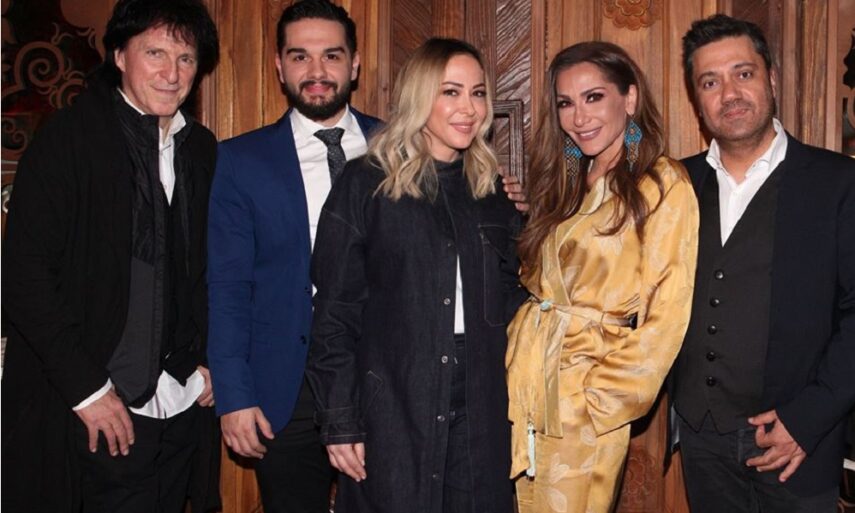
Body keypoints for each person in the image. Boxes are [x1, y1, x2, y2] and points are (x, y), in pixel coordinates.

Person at [1, 0, 221, 511]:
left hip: (183, 404)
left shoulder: (202, 149)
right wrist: (88, 391)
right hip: (95, 412)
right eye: (155, 53)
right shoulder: (68, 140)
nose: (171, 73)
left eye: (186, 58)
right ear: (120, 56)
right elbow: (23, 276)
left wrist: (211, 357)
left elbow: (211, 269)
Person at [306, 37, 526, 513]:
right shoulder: (366, 183)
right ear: (418, 96)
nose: (469, 108)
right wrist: (339, 420)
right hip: (394, 398)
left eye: (478, 93)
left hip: (484, 400)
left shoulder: (492, 191)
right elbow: (334, 314)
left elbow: (514, 295)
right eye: (451, 92)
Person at [505, 41, 699, 513]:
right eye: (565, 103)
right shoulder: (566, 179)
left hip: (588, 395)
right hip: (529, 384)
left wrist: (602, 400)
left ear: (629, 99)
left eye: (593, 97)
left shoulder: (660, 182)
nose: (579, 117)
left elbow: (669, 310)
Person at [672, 14, 855, 513]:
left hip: (796, 445)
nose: (729, 93)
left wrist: (807, 420)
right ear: (696, 99)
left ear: (771, 79)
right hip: (701, 442)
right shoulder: (674, 185)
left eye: (743, 73)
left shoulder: (838, 183)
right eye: (710, 82)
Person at [206, 1, 381, 511]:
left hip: (384, 376)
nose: (317, 71)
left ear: (354, 64)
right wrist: (235, 395)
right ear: (279, 67)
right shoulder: (241, 160)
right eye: (300, 56)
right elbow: (228, 287)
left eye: (332, 55)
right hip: (286, 386)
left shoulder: (403, 147)